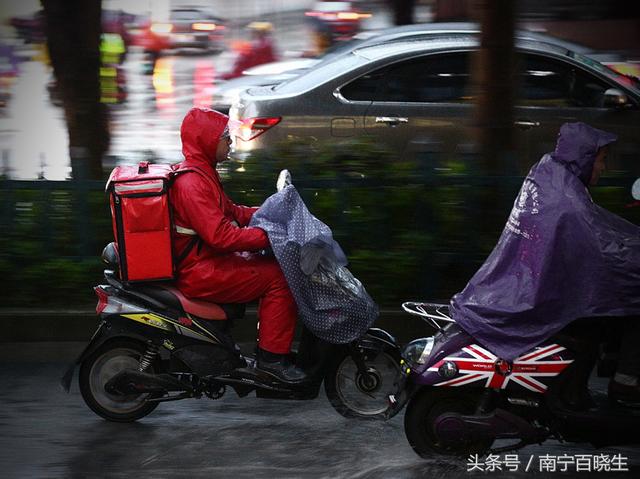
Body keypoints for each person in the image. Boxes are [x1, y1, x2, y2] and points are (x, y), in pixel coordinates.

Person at [449, 122, 640, 405]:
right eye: (601, 160)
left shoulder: (548, 173)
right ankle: (627, 383)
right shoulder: (568, 201)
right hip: (538, 292)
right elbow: (597, 247)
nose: (604, 168)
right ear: (585, 158)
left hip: (525, 279)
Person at [170, 107, 307, 384]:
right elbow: (221, 236)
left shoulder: (202, 173)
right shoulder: (192, 183)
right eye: (224, 137)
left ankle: (272, 350)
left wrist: (271, 211)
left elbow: (231, 211)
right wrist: (270, 236)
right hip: (200, 270)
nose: (230, 141)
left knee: (272, 267)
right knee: (279, 279)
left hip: (209, 261)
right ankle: (271, 361)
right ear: (206, 140)